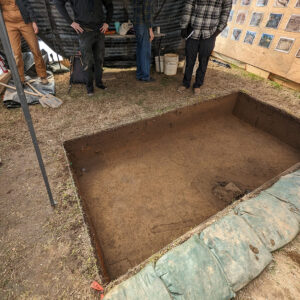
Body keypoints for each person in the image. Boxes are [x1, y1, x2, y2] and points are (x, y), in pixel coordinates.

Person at [54, 0, 113, 96]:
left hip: (99, 31)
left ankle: (99, 83)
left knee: (99, 59)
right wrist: (71, 22)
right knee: (87, 61)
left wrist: (107, 22)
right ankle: (89, 87)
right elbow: (58, 3)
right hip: (84, 32)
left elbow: (109, 5)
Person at [179, 0, 232, 94]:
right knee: (190, 60)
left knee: (203, 61)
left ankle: (198, 84)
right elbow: (188, 6)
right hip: (193, 31)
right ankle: (185, 83)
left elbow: (225, 14)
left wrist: (216, 33)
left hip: (210, 33)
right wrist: (184, 26)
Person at [0, 0, 48, 84]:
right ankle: (21, 79)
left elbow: (27, 5)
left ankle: (42, 75)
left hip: (25, 22)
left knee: (35, 49)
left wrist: (33, 22)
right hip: (9, 24)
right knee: (16, 54)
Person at [132, 0, 155, 82]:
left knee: (140, 50)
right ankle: (145, 76)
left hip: (137, 24)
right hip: (143, 25)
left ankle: (139, 74)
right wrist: (150, 30)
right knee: (145, 51)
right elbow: (147, 13)